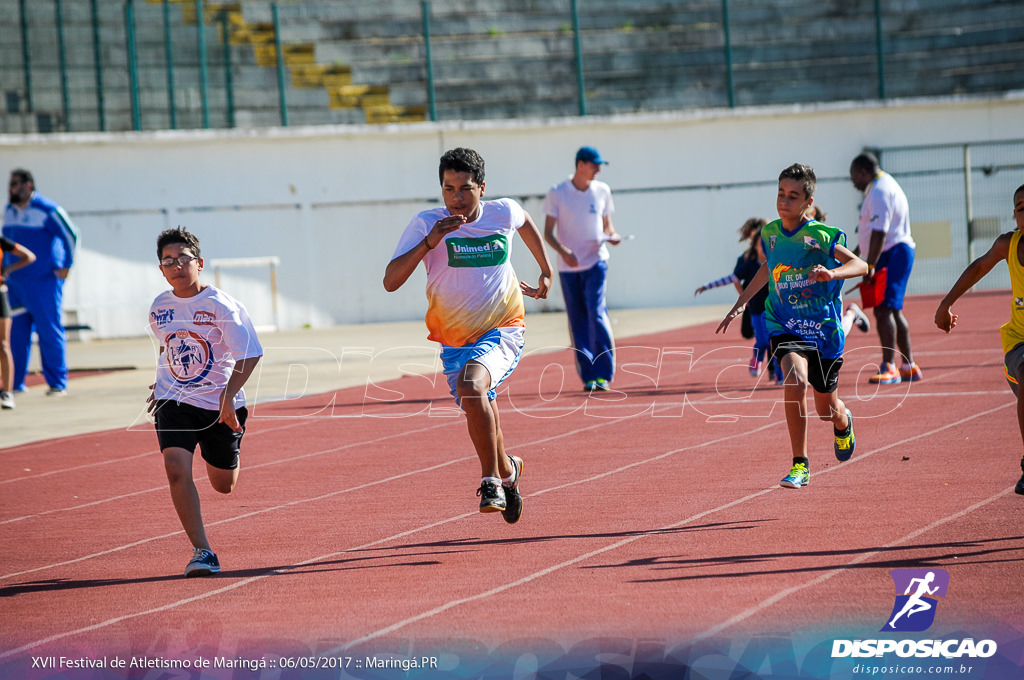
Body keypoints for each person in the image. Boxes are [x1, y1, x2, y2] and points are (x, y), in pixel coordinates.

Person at [384, 148, 552, 521]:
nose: (456, 198)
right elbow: (390, 282)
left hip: (503, 328)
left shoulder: (501, 212)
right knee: (479, 402)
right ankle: (509, 470)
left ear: (482, 188)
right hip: (454, 340)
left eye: (465, 189)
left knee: (473, 387)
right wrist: (429, 242)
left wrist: (545, 270)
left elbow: (525, 222)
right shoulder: (426, 224)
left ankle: (490, 480)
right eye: (448, 189)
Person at [717, 163, 868, 488]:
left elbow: (861, 265)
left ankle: (844, 421)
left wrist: (833, 273)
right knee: (795, 380)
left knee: (826, 410)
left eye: (793, 195)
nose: (784, 200)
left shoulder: (820, 235)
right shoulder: (770, 234)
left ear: (808, 202)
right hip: (784, 322)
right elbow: (767, 268)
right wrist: (739, 304)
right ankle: (800, 464)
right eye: (781, 193)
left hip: (823, 331)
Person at [146, 227, 263, 576]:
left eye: (183, 260)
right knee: (176, 470)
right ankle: (203, 551)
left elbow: (250, 355)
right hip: (174, 400)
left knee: (223, 485)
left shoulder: (221, 306)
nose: (176, 267)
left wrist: (228, 397)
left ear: (199, 263)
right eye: (168, 261)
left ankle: (231, 453)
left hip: (220, 404)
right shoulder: (159, 307)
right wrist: (162, 380)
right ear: (161, 269)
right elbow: (171, 344)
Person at [934, 183, 1024, 496]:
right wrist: (946, 303)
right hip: (1019, 341)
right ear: (1014, 214)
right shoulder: (1008, 244)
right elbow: (979, 266)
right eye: (1020, 206)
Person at [543, 146, 620, 392]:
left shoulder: (602, 191)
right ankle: (589, 376)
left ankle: (604, 374)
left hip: (596, 262)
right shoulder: (557, 193)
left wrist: (614, 236)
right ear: (580, 164)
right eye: (595, 164)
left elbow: (608, 226)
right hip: (569, 268)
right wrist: (565, 252)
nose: (598, 169)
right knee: (577, 320)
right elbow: (547, 233)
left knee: (596, 314)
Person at [2, 169, 79, 395]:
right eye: (9, 184)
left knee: (49, 331)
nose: (10, 189)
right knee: (15, 334)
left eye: (15, 184)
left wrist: (67, 265)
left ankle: (57, 383)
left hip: (43, 282)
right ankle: (14, 383)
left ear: (28, 185)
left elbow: (72, 235)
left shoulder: (48, 210)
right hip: (15, 284)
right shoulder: (9, 210)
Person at [850, 152, 921, 384]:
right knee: (892, 310)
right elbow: (870, 232)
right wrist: (855, 255)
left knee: (883, 309)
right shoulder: (879, 187)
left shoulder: (880, 190)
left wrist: (870, 264)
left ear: (863, 172)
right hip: (890, 252)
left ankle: (889, 366)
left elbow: (880, 232)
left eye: (854, 177)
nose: (853, 183)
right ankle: (909, 365)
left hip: (893, 252)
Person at [695, 217, 770, 378]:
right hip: (753, 304)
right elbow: (734, 278)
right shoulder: (746, 260)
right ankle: (759, 360)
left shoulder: (775, 257)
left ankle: (776, 373)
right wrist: (744, 299)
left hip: (771, 306)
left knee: (773, 340)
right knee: (756, 337)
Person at [0, 236, 36, 409]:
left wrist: (8, 270)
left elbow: (29, 256)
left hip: (0, 295)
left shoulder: (1, 241)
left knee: (3, 344)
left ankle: (7, 392)